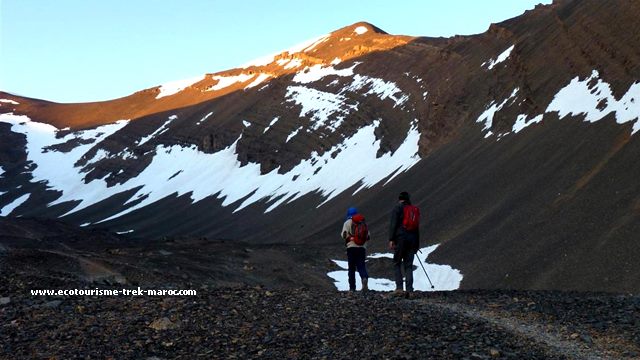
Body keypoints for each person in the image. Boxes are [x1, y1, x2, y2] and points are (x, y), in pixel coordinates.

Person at [388, 191, 420, 292]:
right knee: (408, 265)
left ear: (400, 198)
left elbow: (393, 224)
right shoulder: (413, 210)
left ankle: (399, 288)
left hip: (401, 239)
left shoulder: (397, 208)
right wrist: (416, 245)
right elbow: (416, 228)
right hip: (412, 240)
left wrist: (391, 239)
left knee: (397, 262)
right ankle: (410, 290)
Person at [341, 207, 370, 292]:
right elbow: (368, 236)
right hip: (362, 248)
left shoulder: (347, 223)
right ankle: (364, 278)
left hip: (351, 247)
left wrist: (350, 238)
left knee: (351, 268)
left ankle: (352, 288)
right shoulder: (363, 223)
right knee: (361, 266)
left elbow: (343, 235)